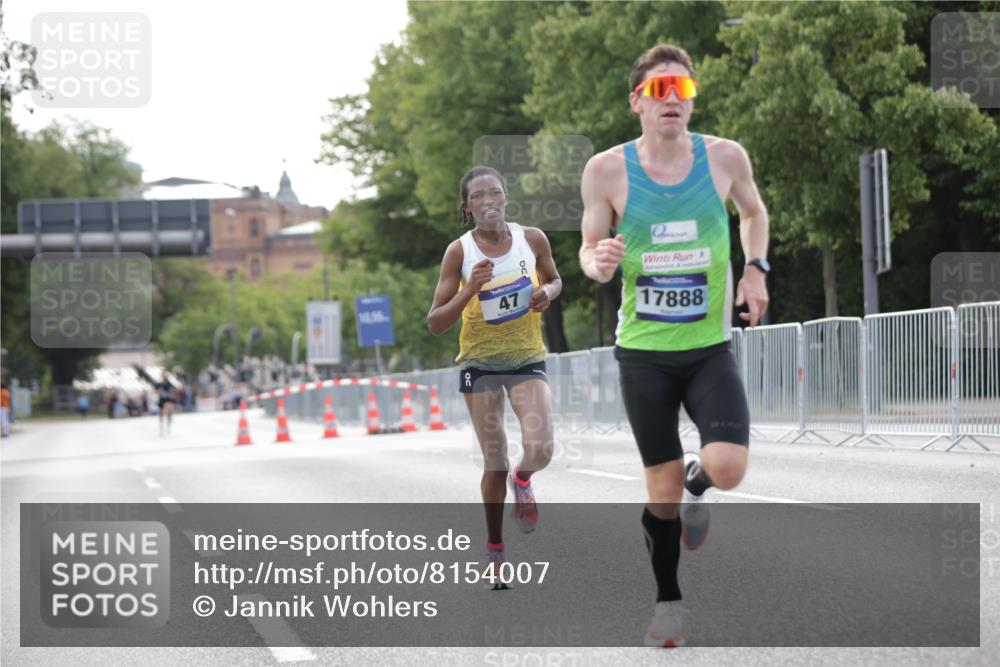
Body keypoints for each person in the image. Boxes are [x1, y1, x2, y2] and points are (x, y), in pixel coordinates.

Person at [579, 44, 769, 647]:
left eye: (681, 90)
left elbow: (753, 212)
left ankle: (700, 485)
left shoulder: (724, 157)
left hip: (709, 347)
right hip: (644, 354)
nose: (671, 100)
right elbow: (589, 252)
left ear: (692, 100)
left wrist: (756, 268)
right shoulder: (606, 171)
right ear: (636, 100)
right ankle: (668, 602)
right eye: (659, 89)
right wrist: (599, 260)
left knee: (728, 469)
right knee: (657, 494)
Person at [428, 166, 562, 589]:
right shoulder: (459, 252)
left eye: (494, 192)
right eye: (478, 196)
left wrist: (547, 293)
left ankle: (525, 479)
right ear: (467, 207)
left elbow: (556, 279)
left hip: (525, 357)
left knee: (540, 448)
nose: (488, 200)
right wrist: (471, 289)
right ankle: (495, 553)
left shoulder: (532, 239)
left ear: (506, 197)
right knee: (494, 461)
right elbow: (435, 322)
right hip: (478, 364)